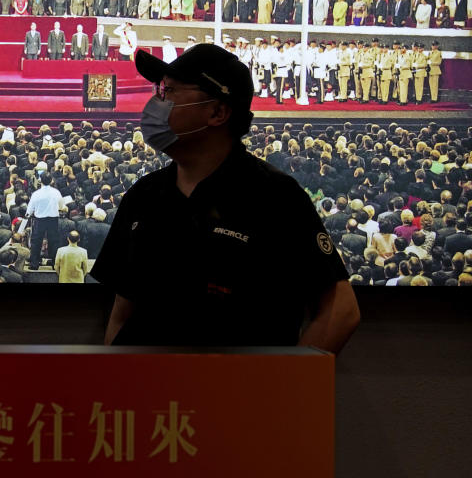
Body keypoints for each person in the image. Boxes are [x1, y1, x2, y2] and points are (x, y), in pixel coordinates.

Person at [92, 43, 360, 352]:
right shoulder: (143, 195)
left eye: (170, 91)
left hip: (234, 395)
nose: (157, 101)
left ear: (217, 112)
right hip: (150, 396)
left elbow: (341, 312)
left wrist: (283, 389)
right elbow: (121, 314)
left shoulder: (275, 196)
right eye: (159, 90)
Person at [26, 172, 62, 270]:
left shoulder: (36, 194)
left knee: (36, 241)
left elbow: (29, 210)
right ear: (51, 181)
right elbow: (61, 206)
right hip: (53, 219)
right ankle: (55, 264)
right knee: (54, 241)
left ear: (40, 181)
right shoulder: (56, 192)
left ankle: (34, 264)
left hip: (39, 220)